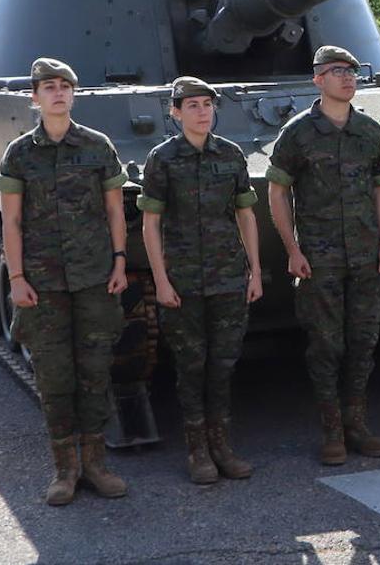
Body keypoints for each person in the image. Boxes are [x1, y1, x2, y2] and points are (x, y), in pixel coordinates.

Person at [0, 57, 130, 506]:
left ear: (73, 94)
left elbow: (114, 211)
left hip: (93, 277)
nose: (57, 93)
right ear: (34, 97)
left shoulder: (97, 145)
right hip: (43, 282)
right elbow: (10, 222)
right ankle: (64, 469)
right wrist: (15, 277)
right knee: (53, 376)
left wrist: (120, 262)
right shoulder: (19, 153)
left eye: (64, 86)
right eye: (48, 87)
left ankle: (95, 463)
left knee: (94, 372)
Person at [267, 45, 380, 466]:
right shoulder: (299, 132)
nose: (349, 77)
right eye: (338, 71)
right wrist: (291, 249)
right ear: (318, 79)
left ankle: (358, 426)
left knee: (363, 341)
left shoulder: (368, 131)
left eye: (353, 71)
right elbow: (278, 190)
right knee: (326, 345)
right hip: (318, 257)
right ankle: (332, 431)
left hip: (363, 253)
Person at [139, 76, 262, 485]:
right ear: (175, 112)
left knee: (223, 365)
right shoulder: (162, 158)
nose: (201, 111)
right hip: (183, 279)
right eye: (191, 105)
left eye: (207, 104)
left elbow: (245, 214)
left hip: (228, 276)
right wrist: (160, 279)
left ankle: (222, 445)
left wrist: (255, 270)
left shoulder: (230, 155)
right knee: (191, 366)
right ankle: (197, 450)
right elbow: (151, 222)